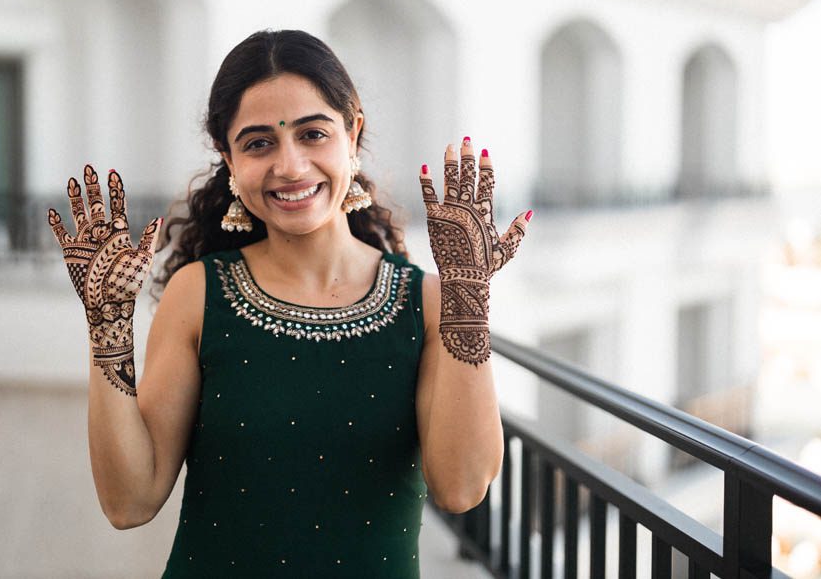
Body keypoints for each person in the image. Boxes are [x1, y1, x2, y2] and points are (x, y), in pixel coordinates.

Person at [47, 29, 531, 578]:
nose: (291, 166)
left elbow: (462, 487)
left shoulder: (430, 301)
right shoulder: (198, 293)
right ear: (228, 159)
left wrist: (469, 299)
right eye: (258, 143)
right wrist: (106, 327)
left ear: (354, 133)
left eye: (313, 134)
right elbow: (129, 502)